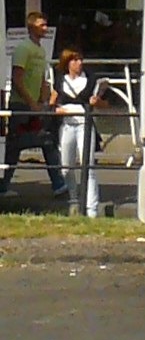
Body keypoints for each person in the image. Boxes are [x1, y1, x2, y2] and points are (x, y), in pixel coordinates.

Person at [1, 12, 65, 201]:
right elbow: (17, 79)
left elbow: (42, 79)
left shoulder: (41, 51)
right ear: (31, 27)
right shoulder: (23, 49)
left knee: (46, 141)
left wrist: (44, 99)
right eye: (41, 25)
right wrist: (31, 104)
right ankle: (3, 185)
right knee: (15, 146)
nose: (45, 28)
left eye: (46, 25)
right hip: (22, 105)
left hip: (35, 105)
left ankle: (58, 185)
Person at [53, 49, 108, 217]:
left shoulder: (91, 79)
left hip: (84, 124)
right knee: (66, 167)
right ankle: (74, 200)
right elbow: (51, 102)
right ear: (67, 63)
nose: (79, 63)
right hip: (67, 125)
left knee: (88, 165)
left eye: (80, 59)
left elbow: (104, 104)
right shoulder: (60, 80)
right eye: (75, 60)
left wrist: (97, 102)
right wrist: (57, 110)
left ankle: (92, 209)